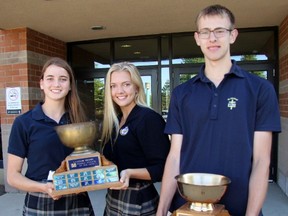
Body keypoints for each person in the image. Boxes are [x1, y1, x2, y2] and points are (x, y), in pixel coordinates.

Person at [156, 4, 281, 216]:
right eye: (205, 32)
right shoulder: (181, 93)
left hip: (241, 209)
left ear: (233, 35)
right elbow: (175, 157)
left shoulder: (260, 89)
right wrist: (160, 212)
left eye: (219, 31)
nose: (212, 38)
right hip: (187, 209)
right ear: (197, 38)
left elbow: (262, 161)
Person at [7, 57, 95, 216]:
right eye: (50, 78)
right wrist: (44, 187)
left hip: (78, 200)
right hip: (41, 200)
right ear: (41, 83)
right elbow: (12, 176)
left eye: (63, 79)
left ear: (69, 86)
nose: (56, 84)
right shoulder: (24, 123)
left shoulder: (79, 121)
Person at [101, 62, 170, 215]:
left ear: (137, 87)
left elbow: (162, 168)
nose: (119, 91)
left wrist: (130, 172)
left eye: (126, 84)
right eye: (113, 86)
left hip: (138, 200)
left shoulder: (149, 119)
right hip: (113, 198)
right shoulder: (114, 122)